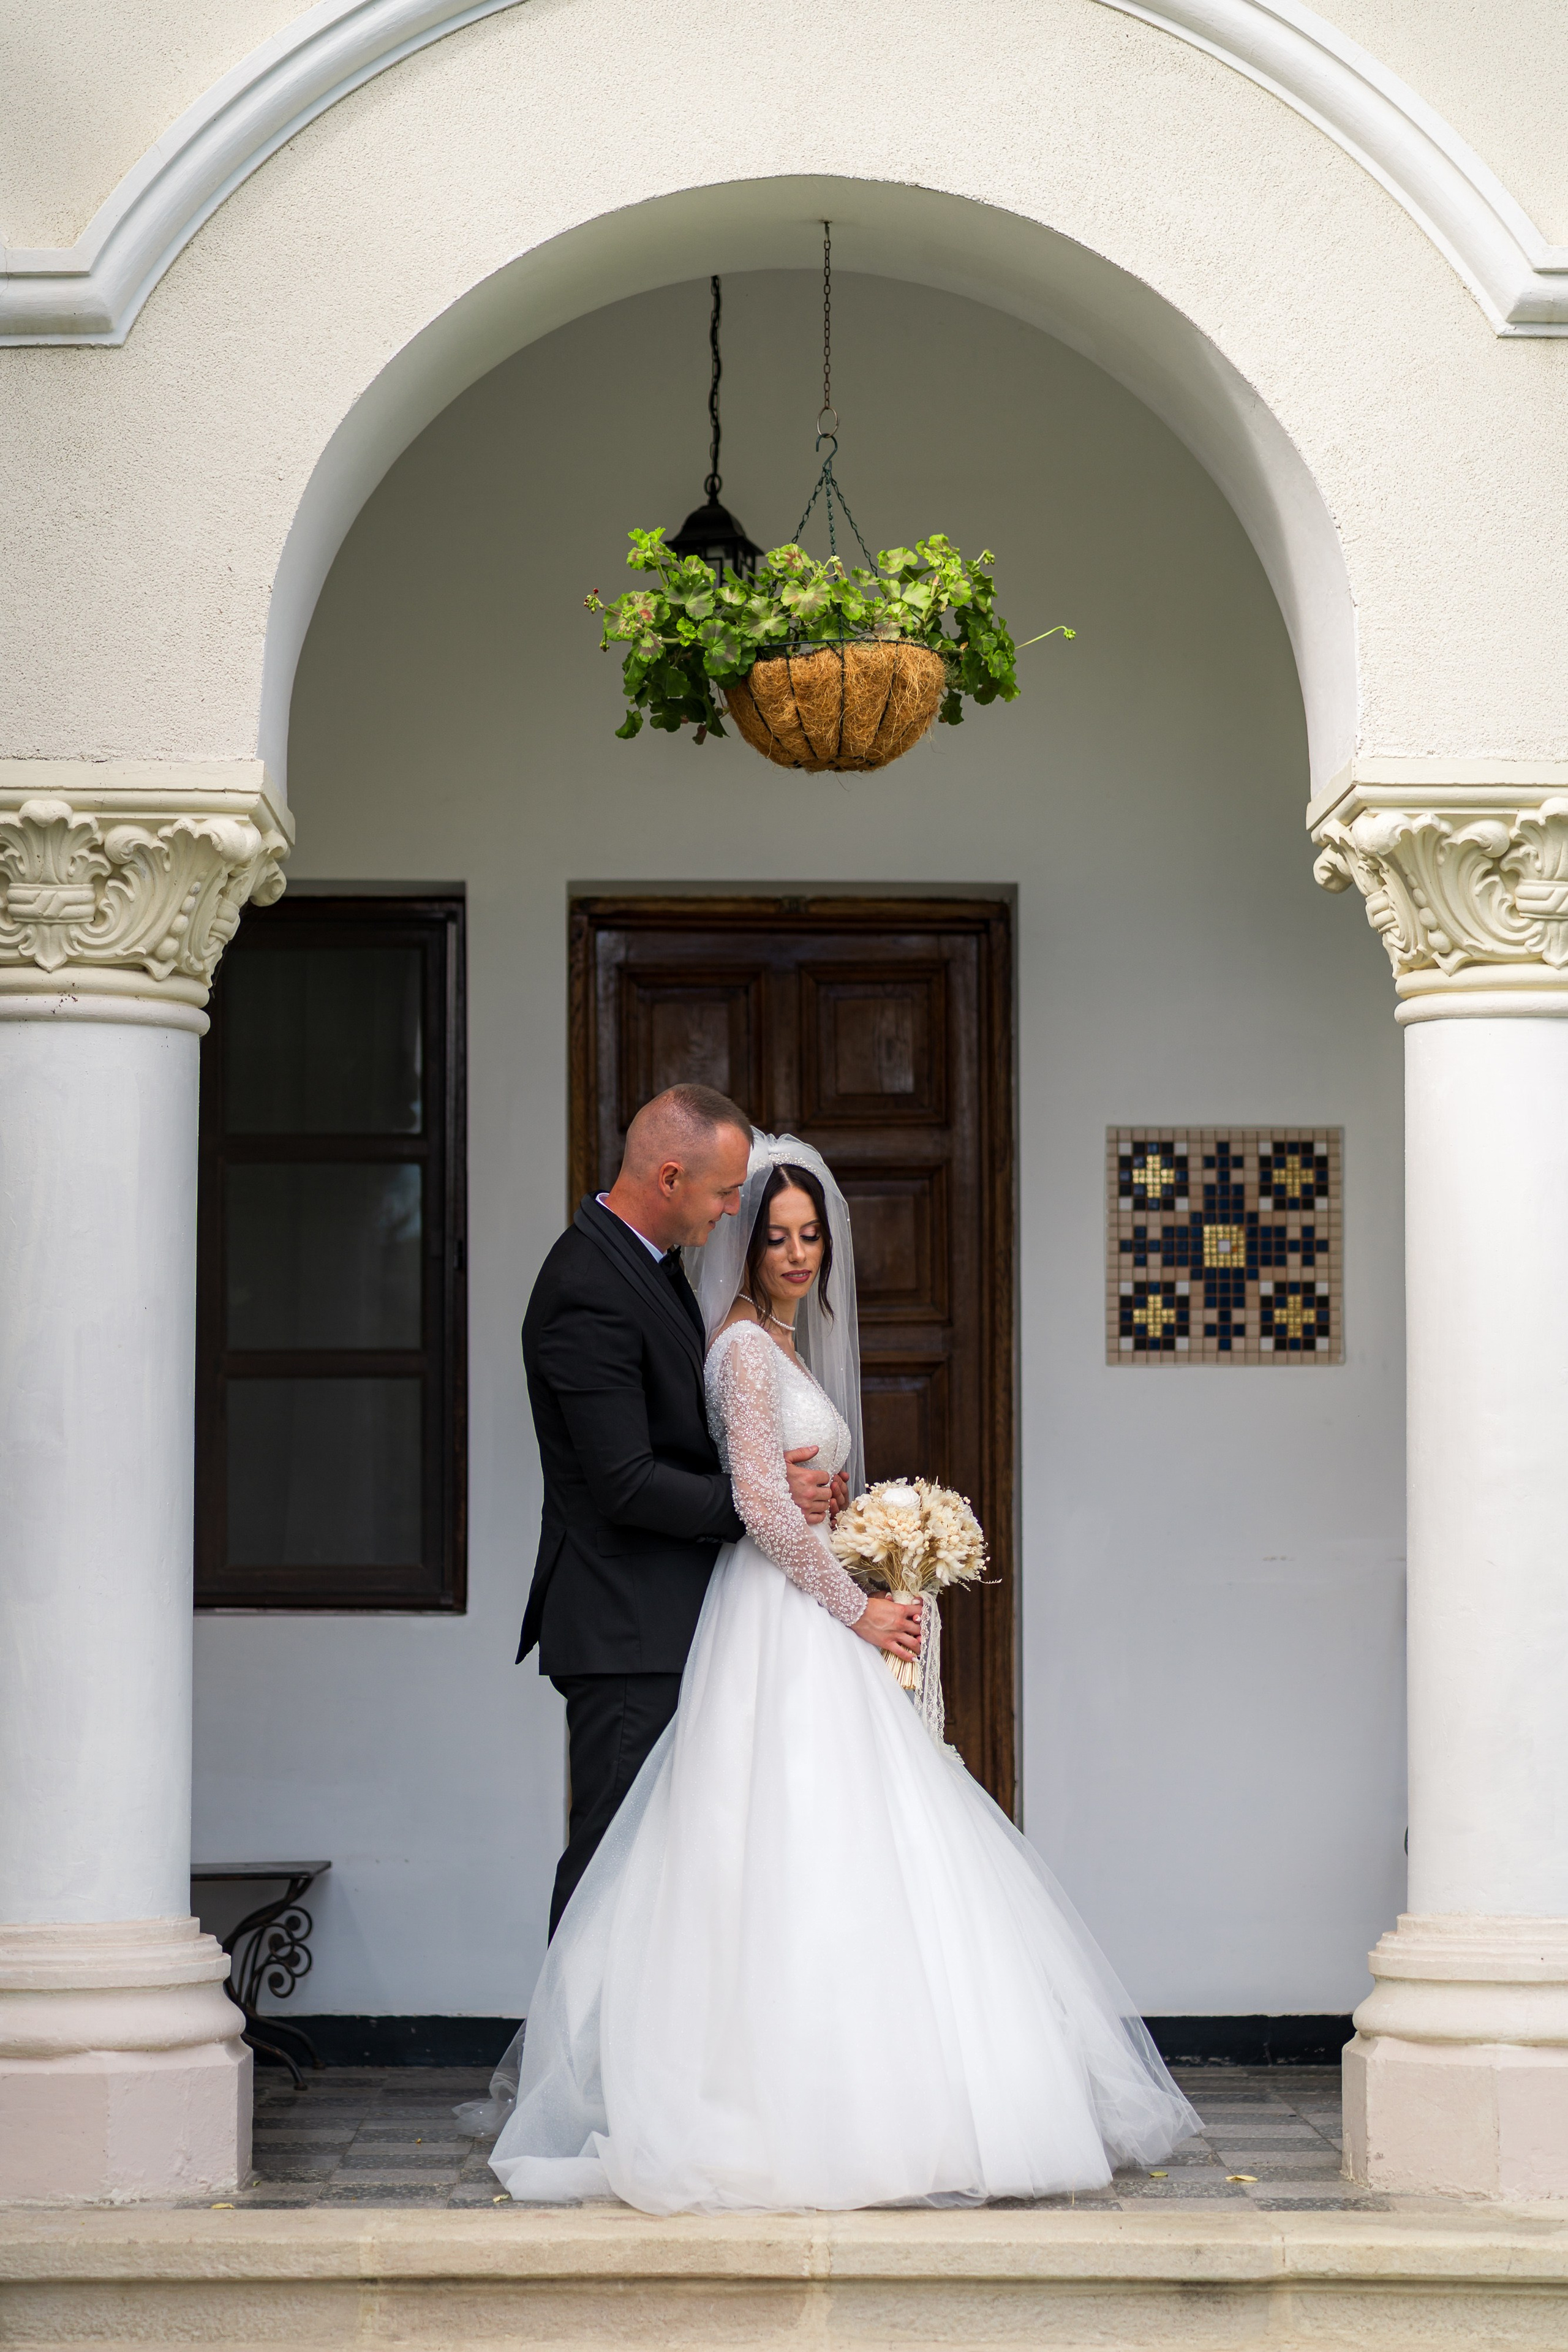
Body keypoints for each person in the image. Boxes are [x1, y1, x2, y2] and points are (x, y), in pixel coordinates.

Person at [487, 1131, 1202, 2211]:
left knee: (837, 1840)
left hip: (790, 1607)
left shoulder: (769, 1343)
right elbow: (756, 1503)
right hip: (761, 1617)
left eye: (808, 1234)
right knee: (715, 1853)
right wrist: (860, 1606)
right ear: (736, 1235)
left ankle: (867, 2092)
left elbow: (783, 1497)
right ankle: (630, 2092)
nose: (793, 1252)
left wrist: (874, 1544)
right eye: (770, 1232)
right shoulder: (733, 1348)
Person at [516, 1085, 853, 1934]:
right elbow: (624, 1481)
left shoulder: (650, 1263)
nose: (734, 1209)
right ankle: (577, 2027)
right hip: (626, 1624)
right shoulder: (586, 1286)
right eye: (725, 1192)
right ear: (670, 1177)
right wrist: (759, 1501)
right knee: (612, 1863)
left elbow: (685, 1438)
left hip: (674, 1616)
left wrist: (778, 1480)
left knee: (670, 1870)